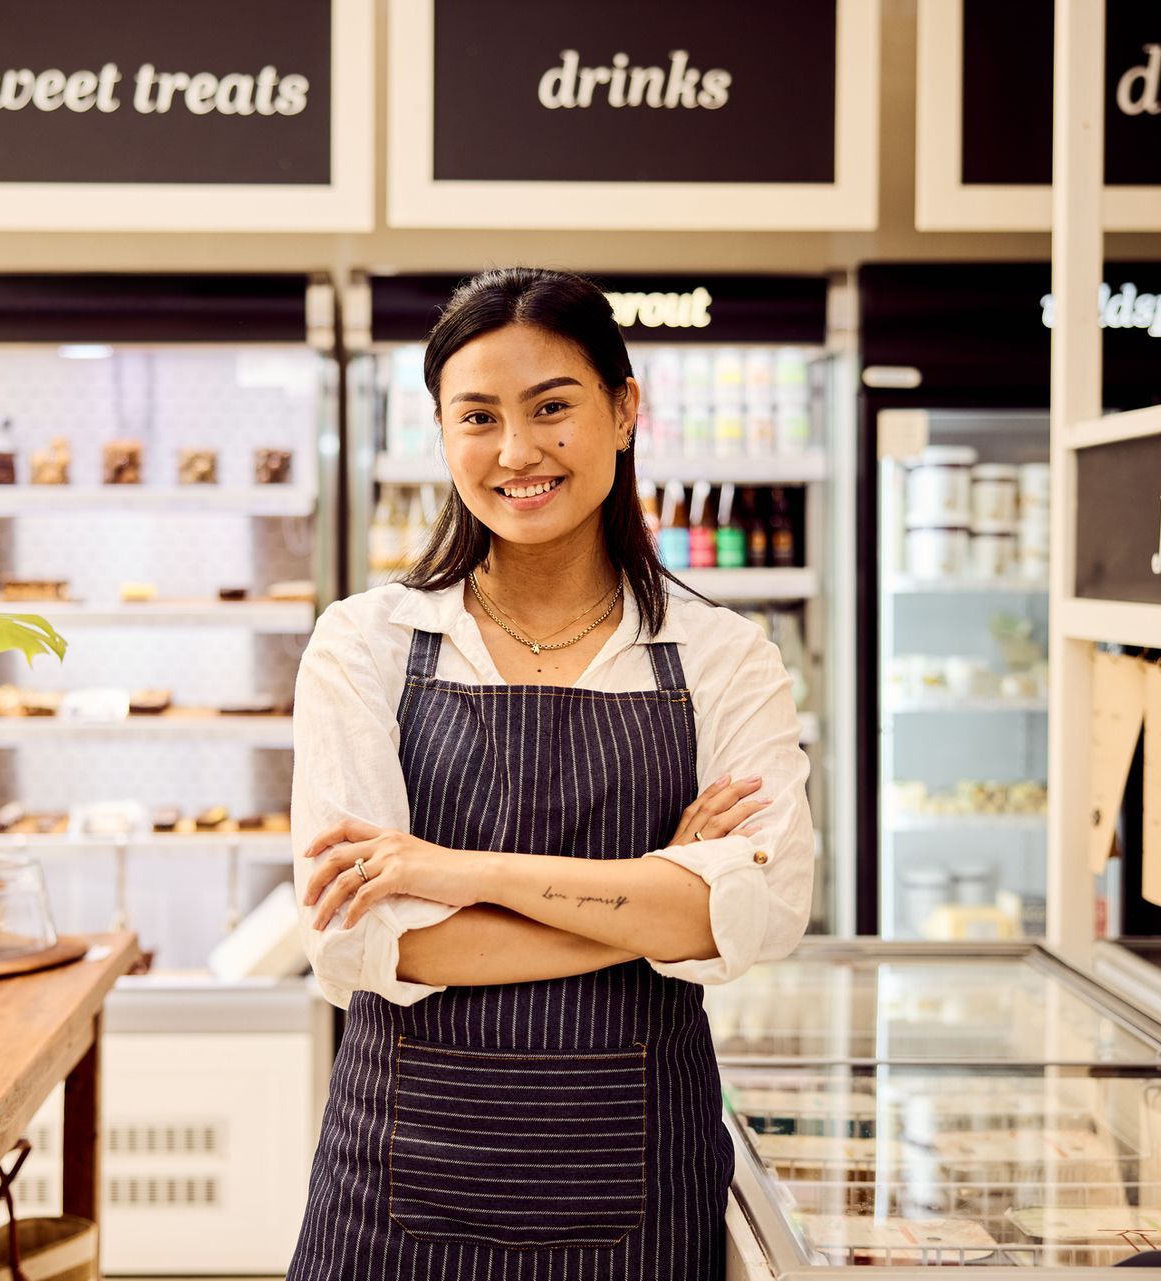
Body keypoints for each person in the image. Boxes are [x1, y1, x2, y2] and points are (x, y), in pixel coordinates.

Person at [287, 267, 813, 1279]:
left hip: (640, 1194)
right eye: (477, 416)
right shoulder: (365, 645)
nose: (517, 451)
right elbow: (357, 945)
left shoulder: (720, 656)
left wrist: (459, 871)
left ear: (623, 410)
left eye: (553, 407)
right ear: (441, 432)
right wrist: (658, 899)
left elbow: (764, 911)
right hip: (398, 1189)